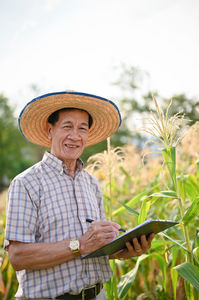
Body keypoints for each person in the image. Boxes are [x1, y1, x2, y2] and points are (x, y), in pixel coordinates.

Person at [4, 90, 154, 300]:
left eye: (82, 129)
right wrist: (80, 244)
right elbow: (18, 256)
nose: (75, 136)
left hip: (97, 295)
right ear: (50, 131)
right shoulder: (26, 183)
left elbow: (95, 247)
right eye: (67, 127)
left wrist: (124, 250)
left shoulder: (91, 182)